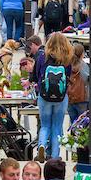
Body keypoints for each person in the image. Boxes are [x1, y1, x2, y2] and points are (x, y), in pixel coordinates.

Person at [34, 33, 73, 161]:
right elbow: (68, 77)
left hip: (44, 96)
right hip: (61, 97)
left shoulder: (42, 57)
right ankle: (55, 157)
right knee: (57, 126)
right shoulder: (67, 58)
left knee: (45, 125)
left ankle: (42, 145)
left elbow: (36, 75)